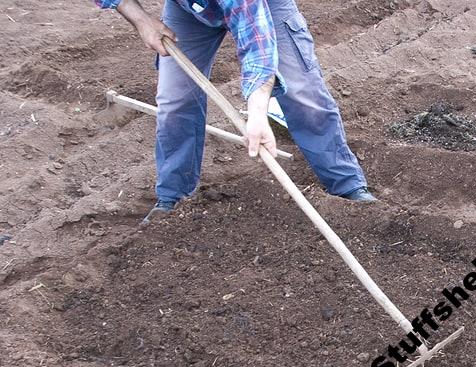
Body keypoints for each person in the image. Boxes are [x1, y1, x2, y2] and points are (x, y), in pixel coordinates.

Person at [94, 0, 376, 224]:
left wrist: (257, 115)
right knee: (175, 100)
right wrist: (141, 20)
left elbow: (258, 48)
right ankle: (172, 196)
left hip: (264, 7)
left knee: (302, 92)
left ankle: (345, 184)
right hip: (187, 11)